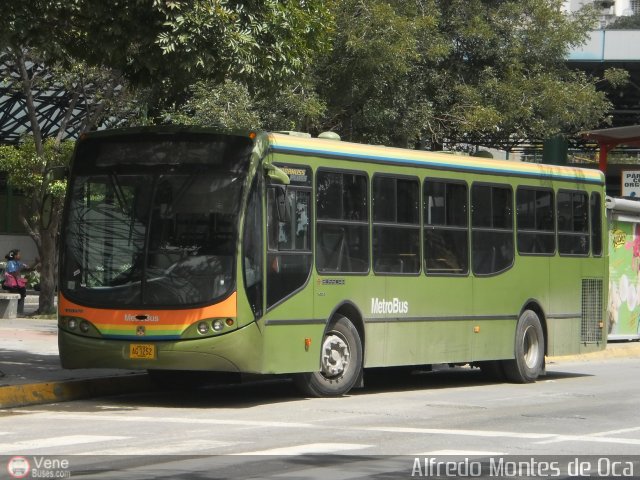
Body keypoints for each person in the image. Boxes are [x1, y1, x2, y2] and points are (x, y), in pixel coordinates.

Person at [3, 249, 29, 314]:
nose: (20, 256)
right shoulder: (10, 263)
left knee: (22, 291)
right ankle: (16, 311)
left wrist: (35, 263)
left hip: (15, 283)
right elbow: (13, 273)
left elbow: (28, 268)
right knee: (18, 291)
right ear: (15, 256)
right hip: (9, 284)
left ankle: (19, 311)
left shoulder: (18, 263)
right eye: (18, 254)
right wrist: (21, 269)